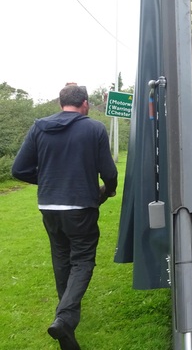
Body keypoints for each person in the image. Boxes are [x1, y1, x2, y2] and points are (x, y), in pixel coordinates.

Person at [12, 84, 118, 350]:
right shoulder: (94, 128)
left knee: (61, 260)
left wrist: (48, 181)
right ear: (85, 104)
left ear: (61, 103)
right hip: (81, 206)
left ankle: (64, 324)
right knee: (82, 261)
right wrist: (109, 190)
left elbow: (19, 169)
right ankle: (65, 318)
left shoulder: (39, 127)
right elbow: (109, 170)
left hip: (48, 206)